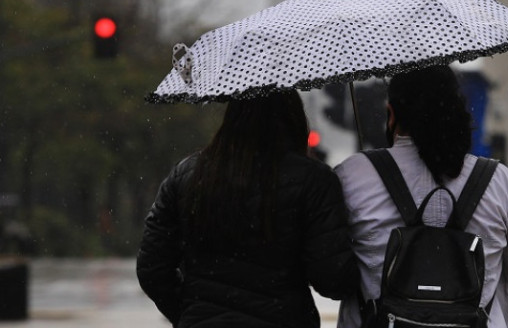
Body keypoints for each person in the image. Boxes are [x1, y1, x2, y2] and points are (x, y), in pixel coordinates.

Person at [335, 65, 508, 328]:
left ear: (392, 115)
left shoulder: (351, 177)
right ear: (456, 113)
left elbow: (332, 273)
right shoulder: (500, 185)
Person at [137, 91, 357, 327]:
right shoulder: (314, 181)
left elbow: (153, 268)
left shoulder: (187, 176)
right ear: (293, 119)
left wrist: (191, 313)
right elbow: (332, 278)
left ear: (231, 118)